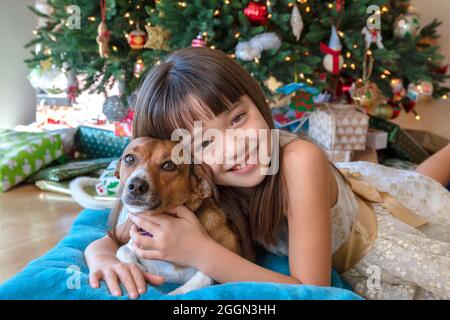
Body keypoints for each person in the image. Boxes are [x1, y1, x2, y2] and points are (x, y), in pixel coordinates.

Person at [84, 47, 450, 300]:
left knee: (420, 192)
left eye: (239, 118)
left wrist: (202, 253)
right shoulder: (187, 182)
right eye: (206, 143)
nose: (236, 147)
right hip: (339, 190)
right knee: (417, 179)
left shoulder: (297, 161)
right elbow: (113, 234)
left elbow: (312, 287)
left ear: (257, 101)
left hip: (367, 231)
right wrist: (100, 256)